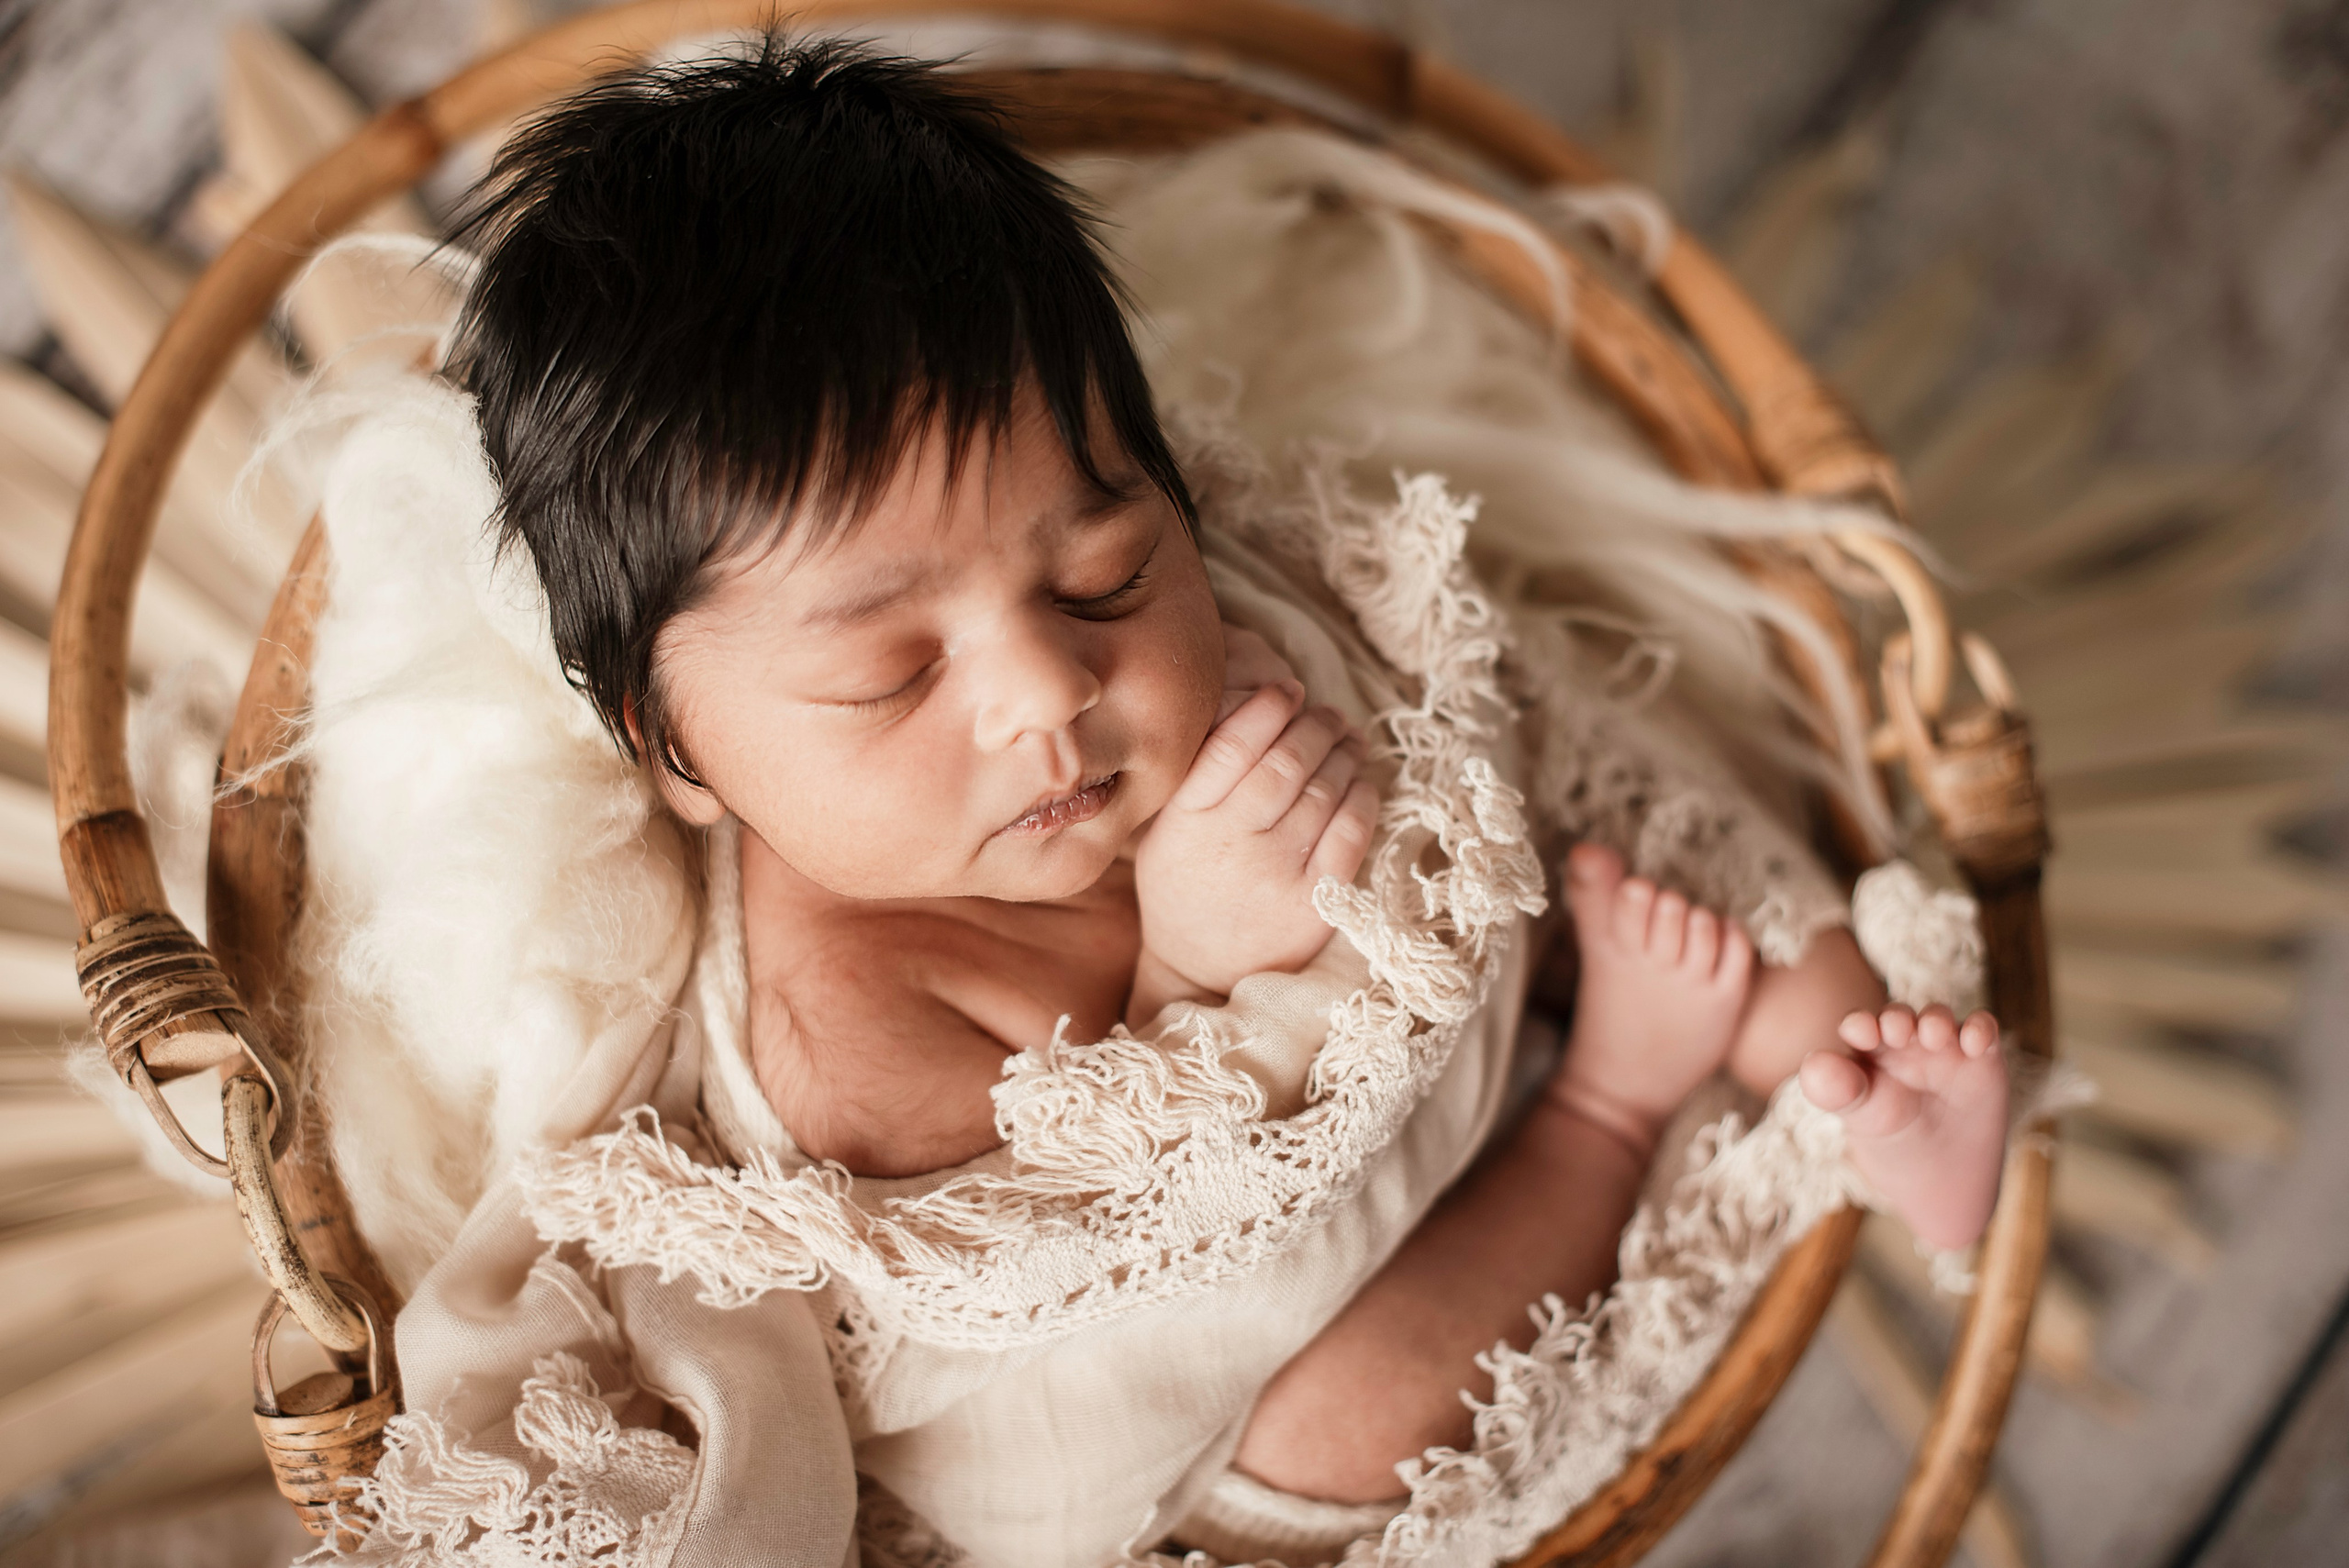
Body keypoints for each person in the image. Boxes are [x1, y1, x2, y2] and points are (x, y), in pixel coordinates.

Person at [440, 31, 2009, 1548]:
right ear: (680, 748)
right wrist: (1191, 974)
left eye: (1104, 568)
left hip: (1468, 980)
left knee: (1601, 778)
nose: (1049, 688)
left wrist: (1421, 739)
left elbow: (1469, 699)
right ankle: (1615, 1109)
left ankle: (1870, 1107)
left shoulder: (1213, 617)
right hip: (1217, 1378)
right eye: (893, 677)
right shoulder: (841, 1032)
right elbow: (1135, 1275)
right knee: (1349, 1420)